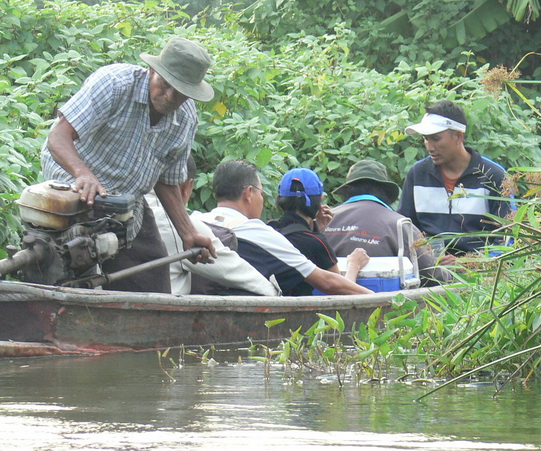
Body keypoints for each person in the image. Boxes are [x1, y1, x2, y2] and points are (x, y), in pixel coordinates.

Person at [40, 37, 217, 292]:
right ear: (152, 71)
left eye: (180, 93)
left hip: (126, 201)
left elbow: (167, 181)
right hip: (75, 185)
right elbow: (58, 137)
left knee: (152, 280)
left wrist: (187, 232)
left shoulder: (186, 118)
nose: (169, 96)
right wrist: (83, 174)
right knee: (77, 263)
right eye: (165, 85)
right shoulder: (114, 84)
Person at [200, 160, 373, 296]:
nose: (262, 199)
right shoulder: (261, 233)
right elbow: (330, 283)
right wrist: (358, 271)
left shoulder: (197, 223)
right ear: (248, 193)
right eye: (261, 193)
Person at [145, 156, 279, 296]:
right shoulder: (185, 227)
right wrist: (276, 294)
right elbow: (242, 276)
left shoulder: (131, 210)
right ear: (187, 187)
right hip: (164, 314)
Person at [399, 100, 512, 263]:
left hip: (479, 278)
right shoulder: (417, 174)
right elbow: (405, 229)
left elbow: (508, 237)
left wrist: (472, 264)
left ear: (458, 136)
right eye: (425, 139)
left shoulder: (494, 176)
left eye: (436, 139)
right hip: (429, 272)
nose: (430, 147)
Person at [323, 160, 451, 286]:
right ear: (386, 193)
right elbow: (431, 275)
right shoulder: (401, 225)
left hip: (323, 297)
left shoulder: (324, 219)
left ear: (346, 191)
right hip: (388, 303)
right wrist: (449, 272)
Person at [267, 167, 370, 296]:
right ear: (317, 202)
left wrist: (316, 229)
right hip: (296, 312)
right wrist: (354, 264)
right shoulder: (314, 243)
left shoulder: (269, 229)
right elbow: (341, 291)